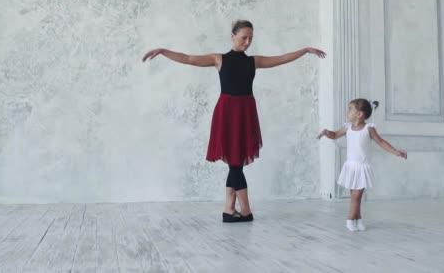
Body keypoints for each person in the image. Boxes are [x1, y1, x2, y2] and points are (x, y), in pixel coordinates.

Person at [143, 19, 326, 222]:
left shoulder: (253, 61)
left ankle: (229, 209)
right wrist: (162, 50)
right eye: (243, 38)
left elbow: (281, 58)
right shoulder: (218, 59)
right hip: (227, 113)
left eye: (250, 38)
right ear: (233, 36)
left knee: (235, 163)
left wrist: (305, 50)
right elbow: (188, 58)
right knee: (235, 164)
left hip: (246, 112)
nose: (247, 42)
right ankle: (244, 211)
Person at [318, 99, 407, 231]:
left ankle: (349, 220)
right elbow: (335, 134)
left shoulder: (368, 129)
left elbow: (381, 142)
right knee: (355, 197)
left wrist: (396, 152)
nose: (347, 111)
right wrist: (327, 133)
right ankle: (358, 220)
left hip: (361, 167)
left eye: (350, 109)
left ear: (359, 114)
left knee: (356, 197)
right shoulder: (347, 127)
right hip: (351, 167)